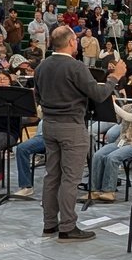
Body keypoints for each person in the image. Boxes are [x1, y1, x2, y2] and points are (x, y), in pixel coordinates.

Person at [33, 26, 126, 240]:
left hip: (49, 125)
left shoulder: (41, 66)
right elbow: (99, 94)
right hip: (71, 126)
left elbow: (36, 96)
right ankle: (67, 226)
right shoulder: (76, 67)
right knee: (70, 178)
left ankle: (49, 224)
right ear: (72, 43)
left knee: (52, 176)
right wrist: (115, 77)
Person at [83, 83, 132, 202]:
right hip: (121, 141)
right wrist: (108, 105)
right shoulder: (127, 106)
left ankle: (109, 191)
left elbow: (129, 117)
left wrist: (113, 104)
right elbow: (116, 119)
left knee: (112, 158)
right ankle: (94, 190)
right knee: (98, 155)